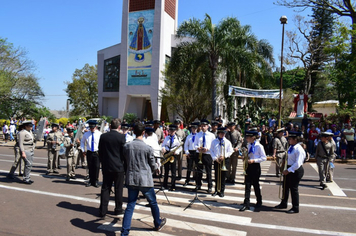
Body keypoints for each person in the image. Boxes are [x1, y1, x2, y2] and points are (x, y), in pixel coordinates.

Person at [121, 122, 166, 235]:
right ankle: (157, 223)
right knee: (153, 202)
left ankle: (125, 231)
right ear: (143, 133)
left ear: (134, 132)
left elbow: (125, 159)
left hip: (131, 178)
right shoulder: (147, 148)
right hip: (145, 179)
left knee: (130, 205)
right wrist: (157, 168)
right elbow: (152, 163)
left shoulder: (127, 146)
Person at [98, 119, 126, 218]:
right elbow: (124, 153)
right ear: (119, 127)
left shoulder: (103, 136)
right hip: (118, 166)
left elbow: (100, 151)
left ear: (110, 126)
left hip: (107, 166)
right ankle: (118, 208)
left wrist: (103, 162)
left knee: (105, 189)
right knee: (119, 189)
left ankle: (103, 210)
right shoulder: (122, 137)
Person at [275, 131, 305, 213]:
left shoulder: (299, 149)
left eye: (290, 139)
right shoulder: (291, 147)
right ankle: (283, 203)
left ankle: (295, 207)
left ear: (295, 139)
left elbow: (298, 163)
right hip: (288, 168)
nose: (289, 140)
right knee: (285, 187)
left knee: (293, 189)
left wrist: (288, 170)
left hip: (295, 170)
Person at [240, 130, 266, 212]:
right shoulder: (248, 145)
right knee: (247, 185)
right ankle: (246, 203)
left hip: (255, 166)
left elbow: (264, 157)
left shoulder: (259, 146)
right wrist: (244, 157)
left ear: (253, 138)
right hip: (248, 166)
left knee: (255, 185)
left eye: (248, 137)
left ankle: (259, 201)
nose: (247, 138)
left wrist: (254, 160)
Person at [210, 127, 233, 198]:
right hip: (217, 160)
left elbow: (230, 151)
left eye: (224, 133)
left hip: (224, 160)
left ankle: (222, 190)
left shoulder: (227, 142)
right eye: (221, 133)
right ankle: (217, 190)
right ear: (218, 133)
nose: (223, 135)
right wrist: (215, 158)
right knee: (217, 175)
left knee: (223, 176)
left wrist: (224, 156)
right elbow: (211, 150)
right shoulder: (214, 141)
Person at [194, 119, 216, 193]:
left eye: (205, 126)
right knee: (199, 170)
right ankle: (198, 184)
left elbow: (213, 145)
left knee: (208, 171)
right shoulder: (198, 134)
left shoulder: (211, 135)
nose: (203, 127)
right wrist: (198, 148)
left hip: (207, 154)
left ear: (207, 127)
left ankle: (209, 185)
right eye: (202, 126)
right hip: (199, 154)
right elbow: (195, 144)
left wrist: (207, 149)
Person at [81, 120, 102, 187]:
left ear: (95, 127)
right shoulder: (86, 134)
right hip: (89, 152)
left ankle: (95, 180)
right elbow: (82, 142)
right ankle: (90, 180)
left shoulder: (99, 134)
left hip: (97, 152)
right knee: (90, 167)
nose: (92, 129)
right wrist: (83, 150)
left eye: (93, 127)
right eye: (90, 127)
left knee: (96, 167)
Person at [161, 124, 182, 191]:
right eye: (170, 130)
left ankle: (173, 185)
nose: (172, 132)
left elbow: (180, 148)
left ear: (175, 131)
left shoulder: (178, 138)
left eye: (173, 130)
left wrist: (177, 152)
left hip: (173, 154)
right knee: (166, 170)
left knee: (173, 171)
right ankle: (165, 185)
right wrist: (163, 148)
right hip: (167, 153)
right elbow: (163, 145)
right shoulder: (166, 138)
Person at [183, 122, 199, 186]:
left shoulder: (198, 136)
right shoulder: (188, 136)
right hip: (190, 152)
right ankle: (187, 180)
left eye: (195, 128)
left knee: (197, 168)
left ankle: (197, 181)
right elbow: (186, 145)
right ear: (191, 129)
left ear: (197, 129)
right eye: (193, 128)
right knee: (189, 167)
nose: (194, 129)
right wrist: (187, 152)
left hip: (197, 152)